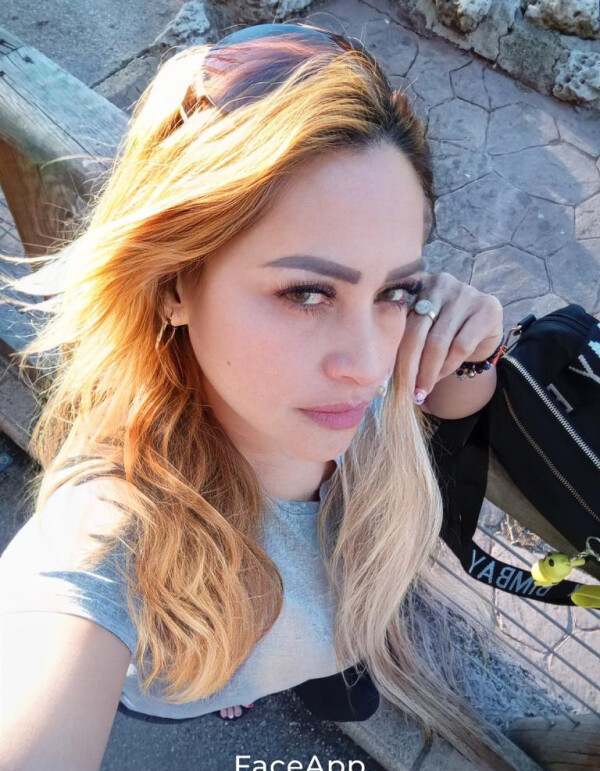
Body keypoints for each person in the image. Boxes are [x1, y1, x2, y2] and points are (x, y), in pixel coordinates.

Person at [0, 21, 512, 771]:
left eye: (396, 289)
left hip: (347, 640)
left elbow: (448, 406)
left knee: (338, 689)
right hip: (188, 678)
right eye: (305, 292)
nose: (368, 365)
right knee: (211, 666)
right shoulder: (104, 535)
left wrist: (472, 350)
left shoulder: (380, 358)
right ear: (173, 284)